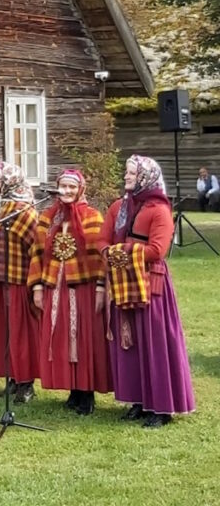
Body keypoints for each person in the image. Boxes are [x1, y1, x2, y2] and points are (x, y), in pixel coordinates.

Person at [99, 155, 196, 428]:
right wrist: (110, 253)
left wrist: (122, 251)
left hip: (150, 284)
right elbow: (103, 240)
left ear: (145, 177)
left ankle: (162, 407)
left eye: (132, 173)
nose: (126, 176)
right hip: (122, 281)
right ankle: (138, 401)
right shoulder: (119, 207)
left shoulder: (159, 210)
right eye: (127, 172)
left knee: (154, 344)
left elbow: (157, 251)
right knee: (129, 342)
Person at [28, 170, 111, 415]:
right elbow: (37, 253)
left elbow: (99, 255)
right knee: (63, 335)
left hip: (83, 286)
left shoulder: (92, 217)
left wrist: (99, 287)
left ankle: (87, 392)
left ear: (81, 189)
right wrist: (38, 286)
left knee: (85, 337)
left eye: (71, 187)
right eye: (63, 186)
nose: (66, 191)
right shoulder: (48, 218)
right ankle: (73, 389)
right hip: (56, 285)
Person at [0, 162, 40, 404]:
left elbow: (36, 246)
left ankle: (27, 383)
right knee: (3, 331)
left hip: (17, 279)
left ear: (8, 182)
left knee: (20, 332)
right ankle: (13, 377)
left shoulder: (23, 210)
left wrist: (35, 282)